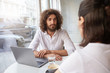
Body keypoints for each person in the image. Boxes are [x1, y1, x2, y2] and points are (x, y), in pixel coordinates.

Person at [55, 0, 110, 73]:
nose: (52, 22)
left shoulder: (79, 58)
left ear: (81, 20)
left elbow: (71, 50)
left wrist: (49, 52)